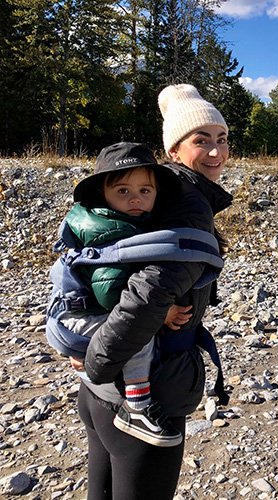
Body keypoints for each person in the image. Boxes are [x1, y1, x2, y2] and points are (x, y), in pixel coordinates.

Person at [77, 85, 233, 499]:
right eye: (201, 140)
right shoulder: (187, 204)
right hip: (143, 399)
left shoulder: (152, 192)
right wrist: (98, 361)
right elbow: (150, 293)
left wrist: (91, 362)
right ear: (173, 149)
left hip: (99, 395)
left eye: (222, 139)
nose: (216, 151)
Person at [60, 142, 197, 448]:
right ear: (102, 194)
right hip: (86, 316)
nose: (135, 198)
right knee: (138, 325)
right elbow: (111, 294)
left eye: (145, 191)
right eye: (122, 191)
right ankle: (136, 405)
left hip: (78, 314)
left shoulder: (116, 221)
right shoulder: (112, 231)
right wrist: (162, 313)